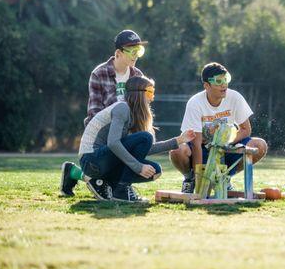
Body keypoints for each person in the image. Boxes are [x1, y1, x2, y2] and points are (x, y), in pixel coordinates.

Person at [70, 75, 195, 202]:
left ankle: (111, 185)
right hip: (91, 160)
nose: (153, 97)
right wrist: (138, 167)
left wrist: (178, 140)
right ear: (139, 94)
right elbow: (113, 143)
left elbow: (146, 148)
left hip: (104, 161)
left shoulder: (133, 114)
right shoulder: (122, 108)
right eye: (150, 92)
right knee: (145, 138)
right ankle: (121, 190)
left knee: (155, 170)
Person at [60, 29, 147, 198]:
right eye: (132, 51)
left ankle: (77, 174)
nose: (136, 55)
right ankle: (93, 176)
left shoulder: (138, 76)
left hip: (126, 135)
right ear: (118, 53)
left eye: (139, 51)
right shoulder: (99, 73)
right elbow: (94, 114)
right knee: (105, 179)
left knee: (147, 169)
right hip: (103, 138)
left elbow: (139, 112)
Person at [169, 62, 267, 193]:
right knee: (177, 150)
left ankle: (225, 178)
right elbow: (196, 144)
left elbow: (246, 130)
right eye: (218, 81)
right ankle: (190, 179)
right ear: (206, 85)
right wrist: (200, 182)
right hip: (202, 149)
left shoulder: (235, 97)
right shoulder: (195, 103)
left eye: (226, 79)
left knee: (259, 145)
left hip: (226, 147)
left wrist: (223, 142)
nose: (224, 85)